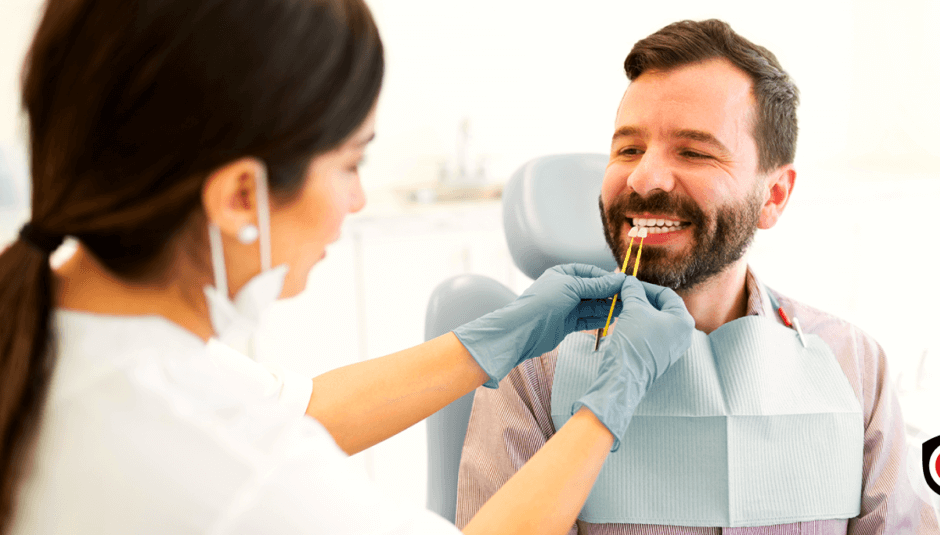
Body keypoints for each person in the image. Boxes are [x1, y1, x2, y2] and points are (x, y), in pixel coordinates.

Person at [0, 1, 697, 534]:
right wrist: (604, 411)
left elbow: (293, 408)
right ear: (241, 194)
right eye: (351, 162)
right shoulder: (227, 470)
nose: (358, 198)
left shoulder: (60, 334)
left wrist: (492, 338)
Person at [456, 19, 940, 535]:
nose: (644, 178)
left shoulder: (853, 368)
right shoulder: (533, 375)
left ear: (773, 197)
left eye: (694, 151)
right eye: (628, 149)